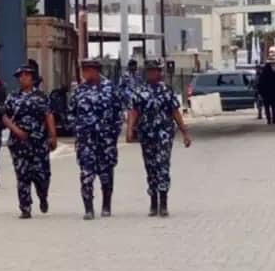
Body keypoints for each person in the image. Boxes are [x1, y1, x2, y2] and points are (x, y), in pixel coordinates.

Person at [127, 59, 192, 217]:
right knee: (150, 167)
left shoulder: (166, 90)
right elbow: (134, 111)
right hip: (146, 135)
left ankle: (163, 202)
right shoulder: (140, 91)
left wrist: (185, 132)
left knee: (162, 166)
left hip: (163, 134)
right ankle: (153, 201)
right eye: (150, 71)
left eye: (156, 70)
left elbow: (175, 112)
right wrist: (130, 129)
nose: (153, 73)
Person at [67, 59, 125, 220]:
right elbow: (71, 113)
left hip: (106, 140)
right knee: (86, 174)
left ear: (96, 71)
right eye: (83, 70)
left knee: (106, 174)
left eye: (87, 70)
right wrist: (78, 130)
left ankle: (106, 205)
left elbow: (119, 113)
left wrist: (113, 133)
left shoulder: (111, 89)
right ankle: (88, 208)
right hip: (86, 141)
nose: (84, 74)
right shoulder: (79, 91)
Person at [3, 65, 57, 218]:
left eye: (26, 75)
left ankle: (43, 195)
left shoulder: (42, 97)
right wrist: (16, 130)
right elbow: (5, 116)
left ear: (32, 78)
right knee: (22, 175)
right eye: (21, 76)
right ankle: (25, 208)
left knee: (42, 175)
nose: (23, 78)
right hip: (19, 143)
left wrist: (53, 136)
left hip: (39, 142)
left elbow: (49, 116)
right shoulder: (13, 97)